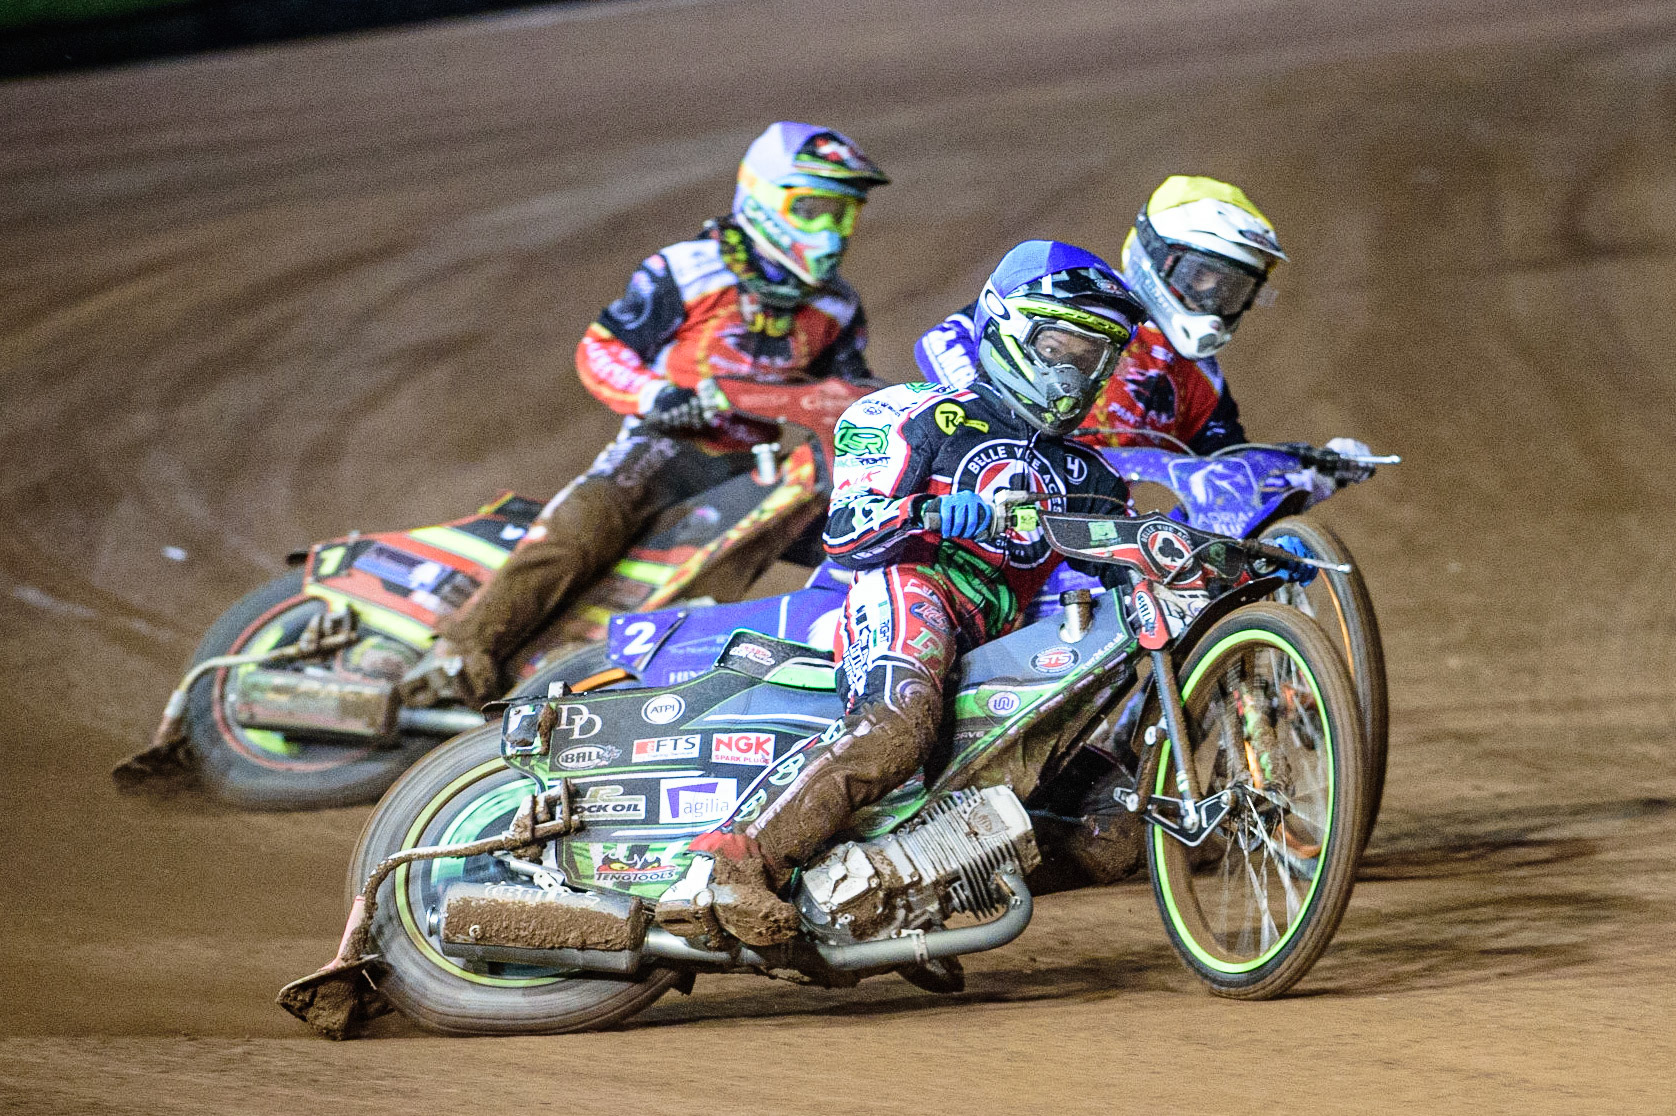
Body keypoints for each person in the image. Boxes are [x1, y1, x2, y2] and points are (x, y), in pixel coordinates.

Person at [662, 240, 1151, 945]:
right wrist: (931, 514)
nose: (1076, 372)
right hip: (910, 587)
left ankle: (900, 896)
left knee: (1110, 832)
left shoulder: (1089, 474)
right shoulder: (915, 412)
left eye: (1095, 356)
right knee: (899, 725)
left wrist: (1228, 564)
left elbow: (1131, 559)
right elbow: (847, 534)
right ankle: (726, 865)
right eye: (1061, 347)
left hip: (1001, 637)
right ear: (1009, 328)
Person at [402, 122, 889, 707]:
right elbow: (600, 349)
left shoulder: (836, 305)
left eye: (844, 213)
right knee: (585, 525)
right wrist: (655, 394)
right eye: (813, 209)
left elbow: (848, 392)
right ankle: (462, 650)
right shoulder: (689, 269)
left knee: (729, 575)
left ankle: (602, 677)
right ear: (762, 198)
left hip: (748, 467)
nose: (831, 230)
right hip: (663, 442)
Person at [915, 175, 1285, 455]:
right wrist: (988, 417)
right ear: (1159, 256)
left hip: (1094, 512)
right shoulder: (1084, 300)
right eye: (1201, 276)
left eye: (1232, 289)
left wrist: (1297, 469)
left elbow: (1230, 466)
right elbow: (942, 340)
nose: (1213, 298)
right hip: (993, 476)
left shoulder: (1199, 376)